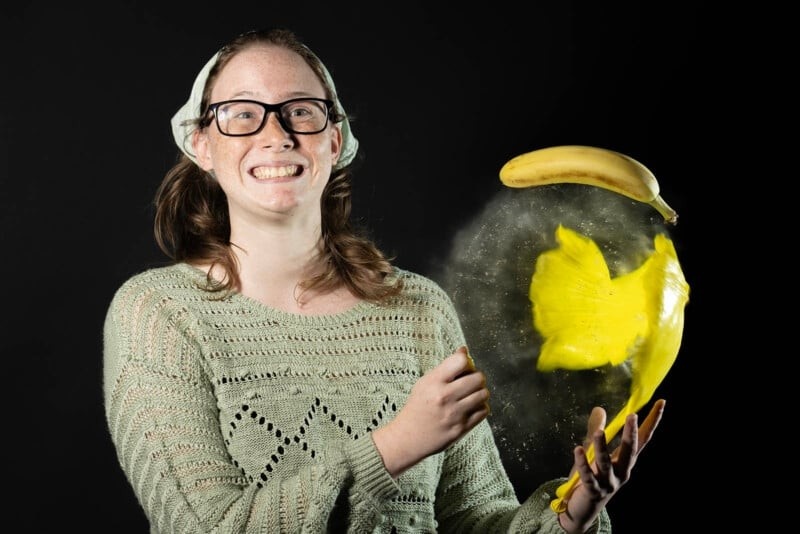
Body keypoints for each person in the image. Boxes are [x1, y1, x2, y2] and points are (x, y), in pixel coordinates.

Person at [102, 27, 666, 533]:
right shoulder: (158, 314)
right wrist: (396, 444)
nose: (276, 134)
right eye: (241, 114)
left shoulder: (420, 309)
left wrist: (571, 514)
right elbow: (202, 526)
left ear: (334, 139)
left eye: (301, 111)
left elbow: (473, 519)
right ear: (201, 143)